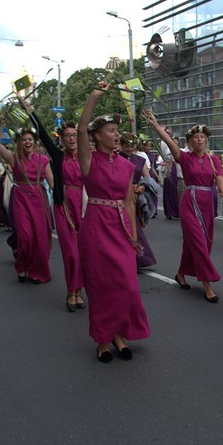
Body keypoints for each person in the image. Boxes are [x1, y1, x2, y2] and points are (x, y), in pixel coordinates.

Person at [77, 83, 150, 363]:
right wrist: (94, 97)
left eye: (117, 132)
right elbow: (81, 129)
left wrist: (133, 236)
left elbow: (130, 201)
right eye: (111, 131)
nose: (117, 135)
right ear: (98, 136)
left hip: (120, 229)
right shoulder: (88, 160)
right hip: (96, 226)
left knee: (127, 285)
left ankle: (120, 333)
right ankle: (103, 340)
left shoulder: (127, 166)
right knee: (100, 285)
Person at [145, 111, 223, 303]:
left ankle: (181, 273)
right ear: (190, 141)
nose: (199, 140)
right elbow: (169, 142)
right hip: (190, 201)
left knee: (200, 243)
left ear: (207, 140)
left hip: (208, 203)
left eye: (202, 137)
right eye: (195, 137)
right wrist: (156, 125)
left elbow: (219, 180)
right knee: (198, 242)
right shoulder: (184, 157)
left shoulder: (214, 159)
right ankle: (207, 284)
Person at [26, 104, 87, 311]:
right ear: (62, 139)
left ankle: (80, 290)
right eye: (67, 136)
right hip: (64, 206)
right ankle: (72, 291)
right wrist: (31, 111)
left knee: (83, 252)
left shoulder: (87, 158)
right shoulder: (59, 157)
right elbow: (42, 135)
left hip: (86, 207)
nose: (71, 139)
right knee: (70, 252)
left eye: (74, 135)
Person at [0, 123, 53, 284]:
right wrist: (0, 125)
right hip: (21, 199)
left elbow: (52, 184)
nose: (27, 142)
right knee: (25, 236)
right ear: (18, 142)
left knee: (40, 239)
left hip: (39, 199)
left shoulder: (44, 160)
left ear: (34, 141)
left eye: (30, 139)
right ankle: (22, 266)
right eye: (24, 140)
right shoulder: (14, 158)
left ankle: (37, 271)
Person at [118, 133, 157, 269]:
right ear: (121, 145)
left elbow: (148, 178)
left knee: (135, 226)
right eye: (126, 146)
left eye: (131, 146)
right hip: (120, 196)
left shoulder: (140, 160)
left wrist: (143, 186)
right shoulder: (116, 158)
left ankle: (138, 258)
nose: (129, 149)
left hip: (135, 197)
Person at [159, 128, 181, 219]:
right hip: (170, 170)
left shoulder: (178, 149)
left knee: (176, 190)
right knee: (170, 189)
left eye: (176, 142)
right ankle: (170, 210)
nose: (175, 143)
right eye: (174, 141)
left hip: (175, 169)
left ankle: (176, 210)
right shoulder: (166, 148)